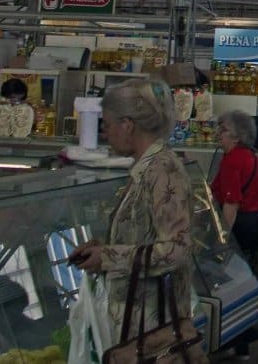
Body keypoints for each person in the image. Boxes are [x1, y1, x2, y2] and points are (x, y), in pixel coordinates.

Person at [73, 80, 192, 342]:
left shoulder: (161, 170)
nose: (106, 133)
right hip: (136, 327)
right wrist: (103, 249)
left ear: (127, 125)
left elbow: (176, 250)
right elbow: (145, 235)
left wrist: (109, 257)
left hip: (152, 331)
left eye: (107, 124)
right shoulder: (145, 168)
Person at [211, 109, 258, 360]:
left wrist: (221, 238)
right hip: (256, 224)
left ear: (236, 135)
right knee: (244, 281)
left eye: (223, 130)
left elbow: (231, 203)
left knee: (228, 285)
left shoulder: (232, 160)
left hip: (239, 225)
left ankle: (234, 338)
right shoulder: (253, 158)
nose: (218, 135)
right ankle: (242, 343)